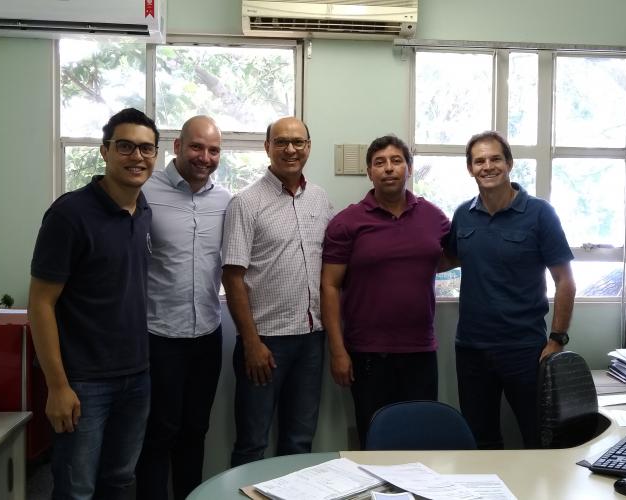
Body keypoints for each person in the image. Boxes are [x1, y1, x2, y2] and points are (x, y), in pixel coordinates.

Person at [28, 108, 158, 499]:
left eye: (146, 148)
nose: (137, 156)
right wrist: (57, 386)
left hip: (136, 376)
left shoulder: (144, 210)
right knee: (76, 488)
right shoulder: (69, 214)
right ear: (104, 152)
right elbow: (40, 304)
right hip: (83, 381)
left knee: (120, 480)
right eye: (125, 146)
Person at [445, 131, 576, 450]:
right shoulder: (463, 214)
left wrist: (557, 338)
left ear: (509, 164)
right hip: (472, 350)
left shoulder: (539, 213)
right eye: (479, 161)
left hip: (524, 349)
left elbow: (565, 280)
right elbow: (446, 258)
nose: (487, 166)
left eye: (495, 159)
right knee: (481, 440)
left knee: (538, 437)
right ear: (470, 168)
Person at [321, 135, 450, 446]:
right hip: (367, 353)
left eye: (396, 161)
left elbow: (448, 256)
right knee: (374, 438)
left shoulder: (434, 217)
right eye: (380, 163)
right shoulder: (347, 222)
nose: (388, 168)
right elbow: (329, 285)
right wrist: (338, 352)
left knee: (420, 437)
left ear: (409, 168)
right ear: (369, 172)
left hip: (420, 351)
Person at [221, 116, 333, 467]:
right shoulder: (246, 202)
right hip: (265, 343)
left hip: (312, 339)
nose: (290, 149)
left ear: (309, 147)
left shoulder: (319, 198)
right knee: (253, 443)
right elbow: (232, 276)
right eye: (281, 142)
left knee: (299, 441)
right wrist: (251, 343)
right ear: (266, 147)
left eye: (298, 142)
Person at [135, 116, 229, 499]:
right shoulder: (144, 192)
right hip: (159, 336)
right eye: (196, 147)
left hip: (207, 334)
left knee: (196, 431)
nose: (204, 157)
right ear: (176, 146)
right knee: (159, 433)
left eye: (213, 150)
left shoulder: (225, 200)